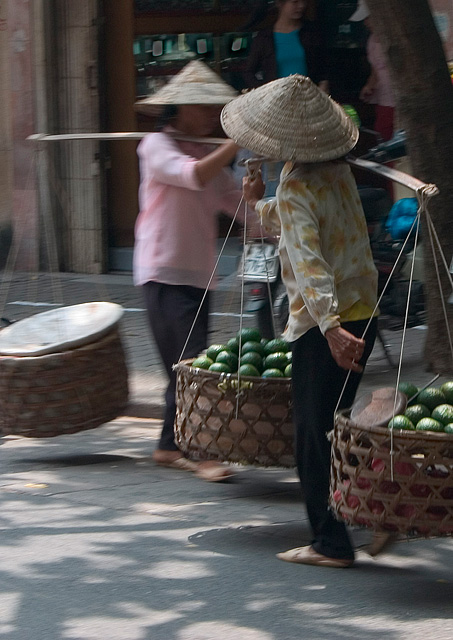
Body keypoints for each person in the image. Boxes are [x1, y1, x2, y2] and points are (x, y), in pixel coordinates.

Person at [221, 75, 379, 567]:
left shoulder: (297, 184)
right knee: (338, 427)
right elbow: (299, 216)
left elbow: (308, 262)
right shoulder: (335, 170)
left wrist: (330, 328)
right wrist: (257, 201)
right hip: (365, 311)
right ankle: (369, 512)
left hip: (325, 325)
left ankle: (330, 542)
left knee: (314, 435)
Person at [134, 60, 243, 482]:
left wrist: (283, 227)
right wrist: (234, 146)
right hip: (163, 272)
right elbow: (193, 177)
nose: (210, 116)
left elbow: (236, 205)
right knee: (190, 365)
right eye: (202, 107)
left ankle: (168, 445)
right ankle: (200, 450)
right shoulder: (156, 145)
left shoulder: (206, 153)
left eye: (215, 109)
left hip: (199, 274)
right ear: (179, 108)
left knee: (184, 366)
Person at [244, 0, 329, 92]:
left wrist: (323, 87)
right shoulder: (265, 38)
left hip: (307, 98)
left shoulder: (310, 33)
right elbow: (249, 71)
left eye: (303, 1)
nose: (301, 6)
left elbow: (323, 67)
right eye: (295, 2)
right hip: (277, 98)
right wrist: (263, 91)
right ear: (280, 4)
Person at [350, 0, 395, 141]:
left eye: (367, 18)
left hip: (397, 102)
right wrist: (369, 86)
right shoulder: (371, 41)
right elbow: (375, 71)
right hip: (383, 101)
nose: (365, 23)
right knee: (382, 134)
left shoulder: (395, 39)